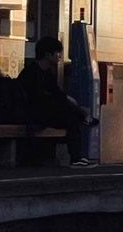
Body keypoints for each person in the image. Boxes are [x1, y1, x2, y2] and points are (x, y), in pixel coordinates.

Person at [17, 36, 95, 168]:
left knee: (70, 116)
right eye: (57, 53)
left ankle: (82, 121)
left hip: (43, 112)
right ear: (48, 54)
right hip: (32, 113)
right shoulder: (31, 73)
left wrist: (70, 101)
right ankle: (76, 156)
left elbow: (56, 93)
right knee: (71, 118)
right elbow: (38, 98)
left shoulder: (46, 72)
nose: (59, 56)